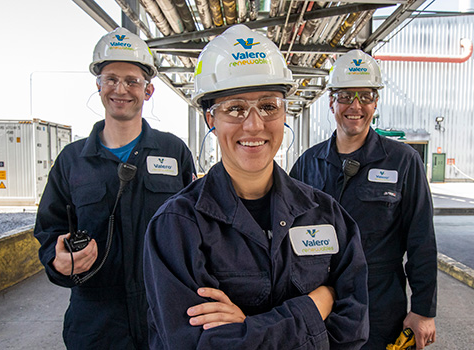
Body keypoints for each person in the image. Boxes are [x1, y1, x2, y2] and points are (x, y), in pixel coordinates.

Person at [143, 24, 369, 349]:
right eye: (235, 108)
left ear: (284, 111)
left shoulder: (326, 215)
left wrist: (248, 329)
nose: (254, 124)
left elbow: (353, 330)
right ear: (211, 118)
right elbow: (197, 344)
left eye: (268, 106)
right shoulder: (177, 226)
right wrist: (315, 305)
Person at [34, 27, 196, 350]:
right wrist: (58, 259)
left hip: (163, 320)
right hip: (96, 327)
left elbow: (194, 228)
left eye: (132, 81)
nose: (121, 89)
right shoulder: (72, 161)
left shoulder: (174, 152)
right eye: (111, 79)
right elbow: (49, 232)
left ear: (148, 91)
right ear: (98, 86)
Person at [290, 50, 437, 350]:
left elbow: (421, 240)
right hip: (319, 302)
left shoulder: (403, 162)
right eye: (345, 96)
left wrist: (423, 310)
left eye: (366, 96)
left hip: (379, 305)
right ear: (331, 101)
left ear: (376, 102)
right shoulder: (307, 163)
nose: (355, 106)